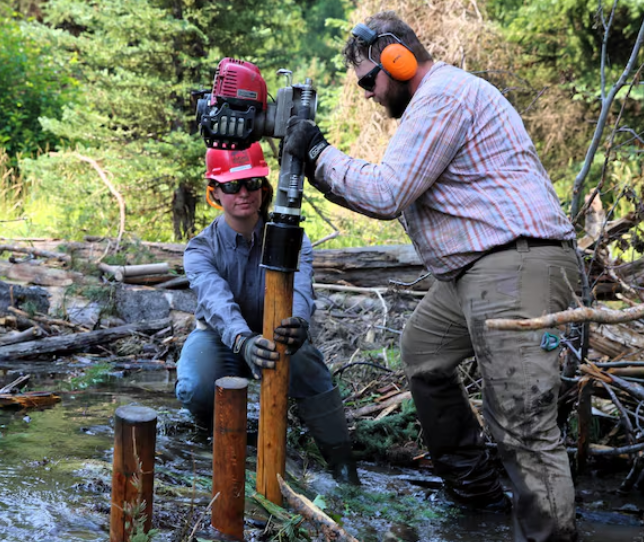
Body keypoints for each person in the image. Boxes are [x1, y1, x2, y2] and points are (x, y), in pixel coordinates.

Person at [282, 10, 579, 542]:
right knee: (423, 354)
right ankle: (476, 494)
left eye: (370, 80)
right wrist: (313, 160)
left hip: (516, 262)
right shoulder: (431, 102)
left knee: (522, 421)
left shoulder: (442, 97)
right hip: (473, 270)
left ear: (398, 58)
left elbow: (387, 192)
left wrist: (318, 153)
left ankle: (549, 536)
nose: (369, 94)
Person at [176, 142, 359, 484]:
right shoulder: (200, 248)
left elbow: (301, 286)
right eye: (232, 186)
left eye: (252, 183)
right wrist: (243, 340)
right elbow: (215, 302)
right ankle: (218, 435)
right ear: (215, 192)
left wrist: (300, 322)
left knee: (311, 370)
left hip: (280, 334)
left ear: (265, 187)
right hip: (221, 338)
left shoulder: (291, 237)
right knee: (196, 385)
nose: (243, 193)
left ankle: (345, 469)